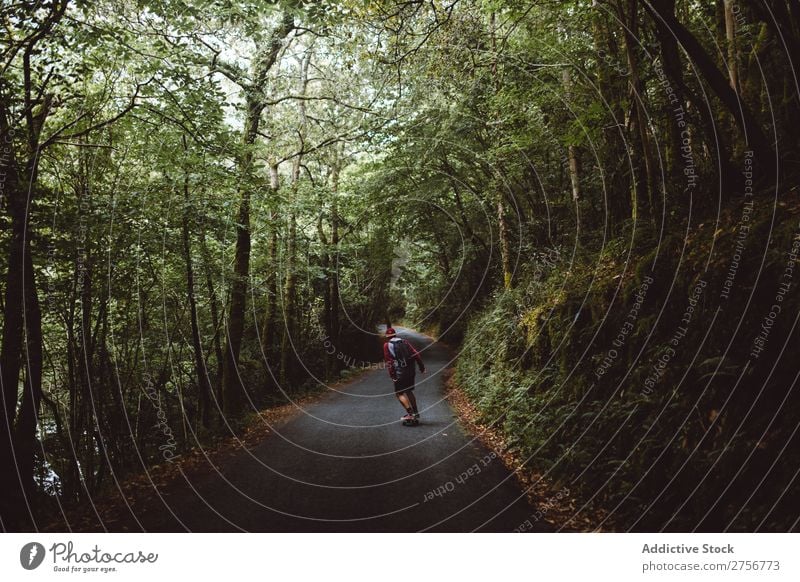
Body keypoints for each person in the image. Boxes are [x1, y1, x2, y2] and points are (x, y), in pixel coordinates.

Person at [383, 327, 425, 425]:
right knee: (409, 391)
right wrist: (421, 367)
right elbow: (416, 354)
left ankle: (410, 414)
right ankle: (416, 412)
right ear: (395, 335)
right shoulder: (405, 342)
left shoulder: (387, 345)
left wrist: (392, 375)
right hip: (410, 370)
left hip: (400, 371)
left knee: (399, 393)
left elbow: (389, 362)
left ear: (387, 337)